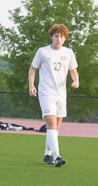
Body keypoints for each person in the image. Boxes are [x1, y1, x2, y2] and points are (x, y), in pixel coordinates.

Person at [28, 24, 79, 167]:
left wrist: (76, 81)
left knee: (56, 126)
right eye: (56, 36)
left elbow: (73, 70)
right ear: (52, 37)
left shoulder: (68, 53)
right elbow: (32, 70)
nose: (59, 39)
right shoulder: (42, 52)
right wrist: (31, 86)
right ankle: (57, 156)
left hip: (61, 94)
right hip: (46, 92)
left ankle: (47, 154)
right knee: (50, 123)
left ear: (65, 39)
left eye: (62, 36)